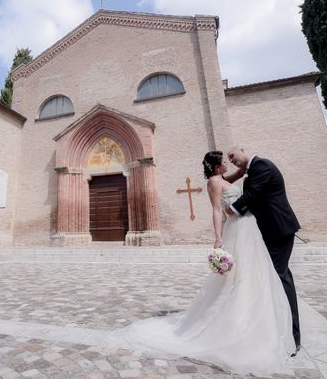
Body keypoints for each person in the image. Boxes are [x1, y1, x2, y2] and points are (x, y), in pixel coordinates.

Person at [122, 151, 294, 374]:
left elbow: (234, 178)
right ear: (215, 168)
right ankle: (236, 317)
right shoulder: (214, 182)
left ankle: (252, 310)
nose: (225, 165)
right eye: (222, 163)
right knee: (238, 275)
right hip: (238, 229)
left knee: (253, 270)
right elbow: (216, 209)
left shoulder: (222, 179)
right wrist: (218, 236)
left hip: (250, 229)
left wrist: (244, 164)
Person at [225, 146, 301, 354]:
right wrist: (238, 173)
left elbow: (252, 194)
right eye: (229, 159)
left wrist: (230, 209)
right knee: (276, 276)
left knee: (279, 276)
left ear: (243, 150)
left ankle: (292, 336)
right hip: (271, 230)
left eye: (233, 155)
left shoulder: (262, 166)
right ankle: (281, 328)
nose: (231, 160)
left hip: (278, 229)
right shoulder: (253, 169)